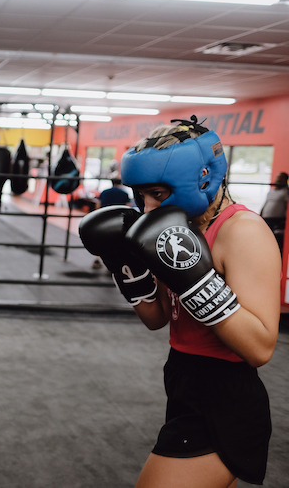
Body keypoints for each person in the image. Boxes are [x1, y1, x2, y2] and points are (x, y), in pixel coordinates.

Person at [79, 116, 281, 487]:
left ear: (202, 178)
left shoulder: (244, 232)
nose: (148, 207)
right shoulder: (175, 231)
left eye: (158, 193)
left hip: (226, 394)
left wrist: (197, 282)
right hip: (182, 379)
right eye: (142, 196)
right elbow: (156, 318)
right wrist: (124, 265)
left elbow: (260, 348)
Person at [92, 176, 131, 268]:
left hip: (104, 218)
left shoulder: (104, 192)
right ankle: (113, 263)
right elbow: (128, 207)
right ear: (120, 183)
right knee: (116, 240)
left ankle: (97, 260)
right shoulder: (124, 194)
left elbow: (98, 205)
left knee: (101, 239)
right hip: (118, 220)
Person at [260, 171, 288, 252]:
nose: (278, 179)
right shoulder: (271, 191)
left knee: (275, 241)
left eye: (281, 178)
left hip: (277, 220)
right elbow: (265, 204)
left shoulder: (285, 192)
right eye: (277, 177)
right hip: (266, 219)